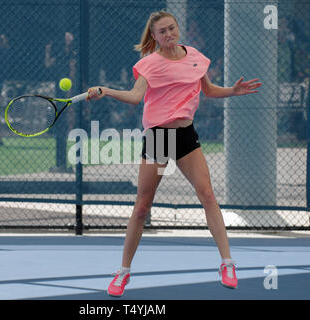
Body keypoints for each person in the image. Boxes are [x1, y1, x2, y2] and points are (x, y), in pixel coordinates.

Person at [88, 11, 261, 297]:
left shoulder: (195, 56)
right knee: (142, 207)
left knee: (207, 195)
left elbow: (208, 90)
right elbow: (134, 97)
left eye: (172, 28)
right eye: (162, 31)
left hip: (185, 136)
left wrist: (232, 90)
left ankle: (227, 263)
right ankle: (123, 272)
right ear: (154, 36)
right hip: (159, 137)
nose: (169, 34)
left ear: (177, 28)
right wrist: (105, 90)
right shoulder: (149, 65)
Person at [45, 32, 77, 172]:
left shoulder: (72, 54)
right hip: (59, 94)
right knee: (60, 123)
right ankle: (62, 164)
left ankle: (68, 164)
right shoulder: (58, 55)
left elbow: (72, 72)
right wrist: (47, 51)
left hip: (68, 92)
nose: (68, 40)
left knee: (68, 121)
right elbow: (47, 64)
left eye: (69, 38)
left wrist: (69, 93)